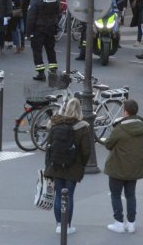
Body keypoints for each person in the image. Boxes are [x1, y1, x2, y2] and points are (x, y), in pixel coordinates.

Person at [43, 97, 93, 235]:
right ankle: (68, 225)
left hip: (56, 165)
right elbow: (86, 150)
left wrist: (48, 164)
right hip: (73, 166)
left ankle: (59, 224)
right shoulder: (82, 127)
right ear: (79, 110)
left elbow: (49, 146)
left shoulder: (56, 124)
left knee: (59, 194)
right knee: (69, 196)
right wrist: (81, 164)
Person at [103, 98, 143, 234]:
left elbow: (108, 144)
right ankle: (131, 223)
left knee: (116, 194)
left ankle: (118, 222)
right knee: (130, 195)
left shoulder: (120, 128)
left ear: (125, 112)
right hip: (134, 166)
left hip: (117, 166)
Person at [25, 0, 61, 82]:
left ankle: (41, 73)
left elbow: (30, 18)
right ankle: (53, 71)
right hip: (51, 29)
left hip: (38, 30)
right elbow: (59, 13)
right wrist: (55, 23)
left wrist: (29, 33)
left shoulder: (35, 0)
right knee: (51, 50)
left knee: (37, 51)